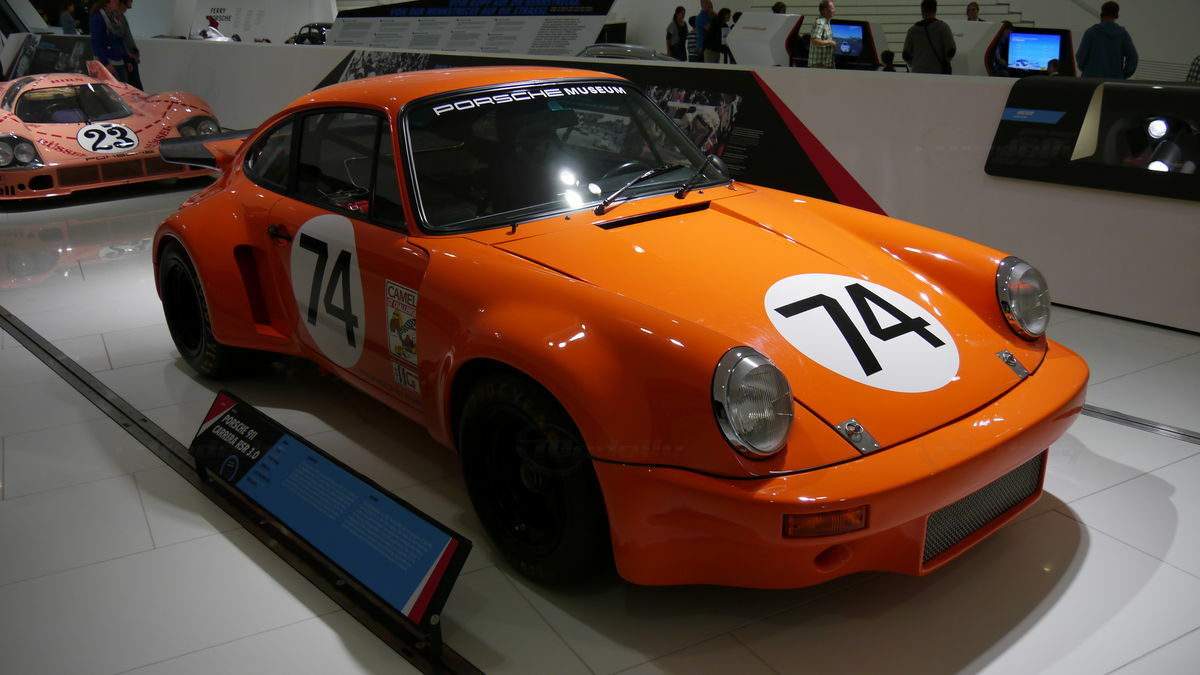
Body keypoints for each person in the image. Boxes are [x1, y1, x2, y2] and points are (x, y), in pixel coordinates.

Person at [1076, 1, 1137, 79]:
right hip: (1113, 82)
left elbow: (1080, 57)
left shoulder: (1091, 32)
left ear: (1102, 14)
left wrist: (1086, 71)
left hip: (1091, 81)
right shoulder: (1123, 35)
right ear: (1116, 15)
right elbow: (1133, 57)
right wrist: (1123, 76)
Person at [902, 0, 956, 74]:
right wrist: (944, 62)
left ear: (922, 12)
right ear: (935, 11)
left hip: (918, 72)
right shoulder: (943, 28)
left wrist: (914, 64)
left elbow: (905, 54)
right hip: (938, 72)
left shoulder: (913, 30)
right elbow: (951, 50)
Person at [89, 0, 127, 82]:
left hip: (118, 61)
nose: (118, 1)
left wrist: (126, 59)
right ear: (108, 2)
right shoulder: (98, 17)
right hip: (106, 62)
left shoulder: (115, 17)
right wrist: (105, 63)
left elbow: (120, 39)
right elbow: (96, 42)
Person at [115, 0, 142, 90]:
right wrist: (129, 55)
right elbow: (120, 38)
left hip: (128, 58)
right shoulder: (117, 17)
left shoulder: (120, 17)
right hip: (126, 59)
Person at [808, 0, 836, 69]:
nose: (834, 10)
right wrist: (830, 42)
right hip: (819, 64)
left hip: (826, 63)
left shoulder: (827, 22)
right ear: (825, 10)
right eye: (832, 8)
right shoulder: (820, 22)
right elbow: (814, 41)